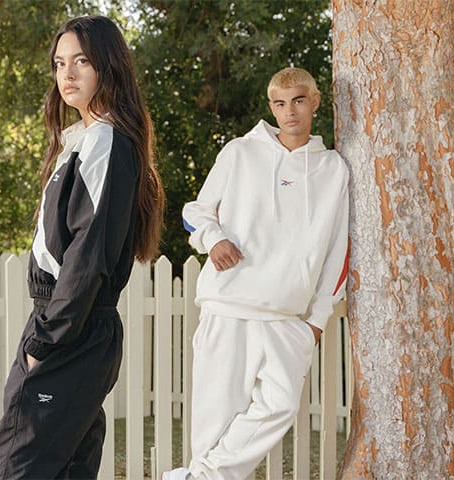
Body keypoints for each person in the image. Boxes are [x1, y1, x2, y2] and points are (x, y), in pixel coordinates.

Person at [0, 15, 164, 479]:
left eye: (81, 61)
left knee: (16, 469)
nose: (67, 74)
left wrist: (43, 342)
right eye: (59, 63)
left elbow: (89, 255)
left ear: (108, 66)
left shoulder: (105, 140)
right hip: (75, 326)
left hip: (69, 327)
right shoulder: (83, 138)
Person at [164, 67, 349, 480]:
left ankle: (199, 477)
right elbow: (195, 211)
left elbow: (339, 250)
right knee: (213, 425)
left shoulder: (334, 169)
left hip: (288, 317)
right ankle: (202, 475)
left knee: (280, 406)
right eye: (280, 103)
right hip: (228, 305)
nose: (290, 112)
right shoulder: (239, 153)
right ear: (271, 107)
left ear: (315, 101)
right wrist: (213, 239)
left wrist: (317, 321)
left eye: (299, 101)